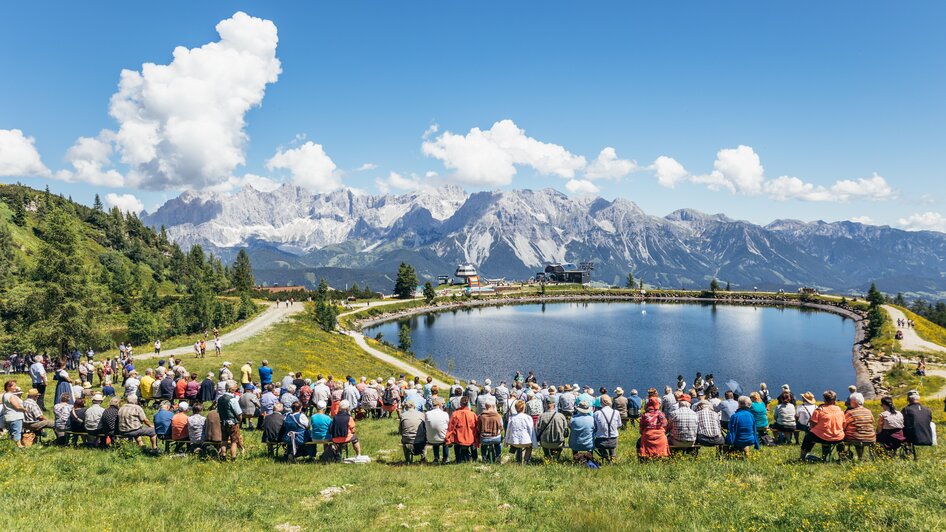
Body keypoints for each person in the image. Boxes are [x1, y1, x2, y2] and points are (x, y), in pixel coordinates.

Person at [799, 391, 844, 460]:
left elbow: (812, 425)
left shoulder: (819, 410)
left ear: (824, 399)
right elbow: (843, 423)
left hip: (822, 437)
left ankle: (802, 457)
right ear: (834, 399)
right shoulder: (839, 409)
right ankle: (841, 457)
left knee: (808, 437)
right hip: (838, 437)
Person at [842, 393, 875, 459]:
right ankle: (862, 457)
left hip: (855, 438)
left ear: (853, 402)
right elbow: (872, 422)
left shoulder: (850, 413)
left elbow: (843, 426)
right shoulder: (869, 411)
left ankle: (844, 456)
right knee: (859, 434)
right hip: (870, 437)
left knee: (850, 435)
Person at [445, 396, 478, 462]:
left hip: (459, 438)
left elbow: (451, 427)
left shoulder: (455, 413)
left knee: (456, 443)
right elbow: (476, 426)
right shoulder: (473, 414)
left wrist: (448, 437)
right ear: (468, 403)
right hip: (470, 437)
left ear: (460, 403)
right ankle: (475, 458)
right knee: (473, 441)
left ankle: (458, 458)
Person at [217, 382, 244, 459]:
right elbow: (239, 413)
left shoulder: (220, 399)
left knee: (224, 440)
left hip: (223, 422)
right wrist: (239, 421)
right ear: (231, 389)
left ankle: (223, 456)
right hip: (232, 423)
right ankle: (233, 457)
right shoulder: (233, 400)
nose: (236, 388)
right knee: (234, 441)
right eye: (235, 387)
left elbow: (218, 411)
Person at [536, 395, 568, 460]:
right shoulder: (561, 416)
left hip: (545, 443)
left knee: (545, 445)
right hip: (558, 443)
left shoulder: (541, 416)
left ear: (545, 404)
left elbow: (537, 430)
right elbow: (566, 432)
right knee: (558, 446)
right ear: (554, 404)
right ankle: (556, 458)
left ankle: (547, 457)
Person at [505, 400, 536, 464]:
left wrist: (506, 441)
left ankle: (518, 461)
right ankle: (526, 460)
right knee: (529, 447)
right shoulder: (528, 417)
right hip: (526, 442)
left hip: (514, 442)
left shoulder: (512, 418)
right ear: (524, 408)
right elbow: (531, 430)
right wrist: (533, 441)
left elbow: (508, 430)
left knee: (518, 443)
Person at [593, 395, 621, 462]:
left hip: (601, 441)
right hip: (613, 440)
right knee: (612, 441)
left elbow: (594, 426)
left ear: (601, 402)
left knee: (597, 444)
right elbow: (619, 425)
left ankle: (605, 456)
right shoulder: (616, 412)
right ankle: (613, 457)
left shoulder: (597, 413)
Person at [2, 381, 26, 448]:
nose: (16, 387)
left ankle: (11, 445)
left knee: (11, 433)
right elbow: (17, 406)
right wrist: (24, 409)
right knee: (17, 432)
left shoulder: (5, 395)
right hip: (15, 417)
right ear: (8, 387)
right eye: (14, 386)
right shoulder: (11, 396)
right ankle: (19, 446)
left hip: (8, 416)